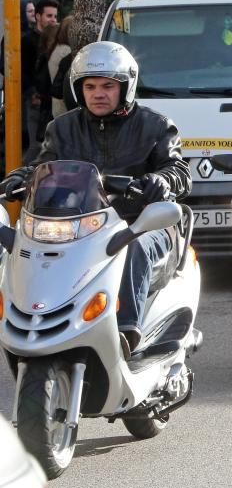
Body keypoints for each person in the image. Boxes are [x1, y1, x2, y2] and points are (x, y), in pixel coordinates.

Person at [2, 42, 191, 357]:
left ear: (125, 87)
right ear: (79, 89)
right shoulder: (61, 128)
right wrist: (23, 177)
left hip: (138, 222)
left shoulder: (156, 125)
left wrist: (162, 179)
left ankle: (127, 330)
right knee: (29, 247)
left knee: (134, 245)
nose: (98, 93)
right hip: (81, 226)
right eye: (90, 86)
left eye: (107, 86)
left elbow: (179, 171)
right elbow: (42, 166)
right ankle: (33, 319)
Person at [21, 0, 59, 160]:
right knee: (35, 145)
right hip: (35, 101)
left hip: (51, 100)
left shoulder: (56, 38)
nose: (53, 20)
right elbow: (23, 70)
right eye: (49, 15)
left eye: (55, 16)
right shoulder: (27, 40)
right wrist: (32, 92)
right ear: (38, 16)